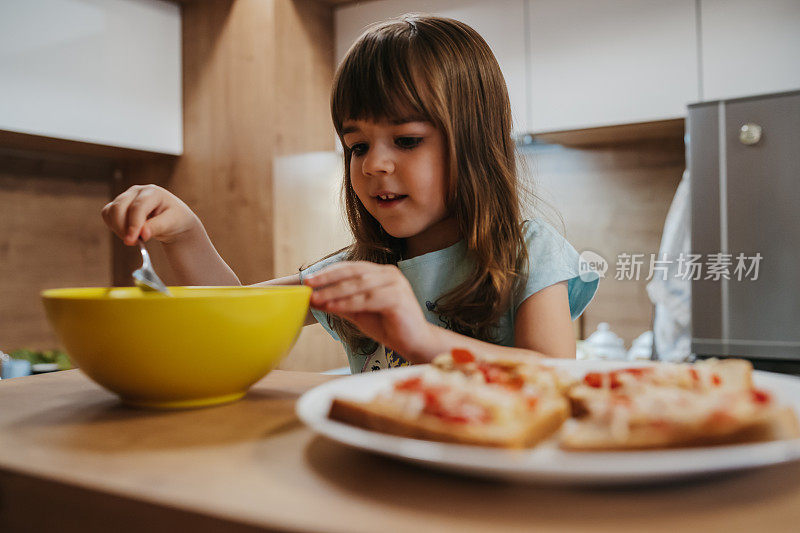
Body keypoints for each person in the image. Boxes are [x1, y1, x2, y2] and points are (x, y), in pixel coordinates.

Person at [101, 14, 598, 374]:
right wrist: (186, 234)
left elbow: (554, 378)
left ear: (474, 141)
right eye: (356, 145)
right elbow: (224, 317)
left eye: (406, 140)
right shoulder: (353, 275)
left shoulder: (526, 253)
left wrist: (421, 338)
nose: (374, 164)